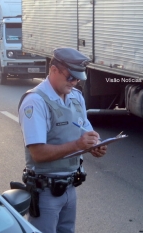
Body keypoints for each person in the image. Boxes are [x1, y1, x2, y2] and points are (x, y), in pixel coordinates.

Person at [18, 47, 107, 233]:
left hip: (69, 187)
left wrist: (94, 145)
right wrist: (77, 145)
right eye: (70, 77)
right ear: (53, 70)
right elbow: (38, 153)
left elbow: (85, 129)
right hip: (46, 190)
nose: (74, 82)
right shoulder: (35, 101)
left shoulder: (76, 97)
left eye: (77, 78)